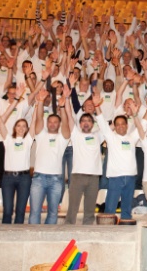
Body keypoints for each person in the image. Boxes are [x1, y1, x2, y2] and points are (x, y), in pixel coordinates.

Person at [0, 84, 31, 224]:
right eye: (18, 125)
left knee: (20, 212)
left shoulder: (28, 140)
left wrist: (38, 105)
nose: (21, 128)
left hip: (24, 178)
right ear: (14, 127)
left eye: (24, 126)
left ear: (26, 129)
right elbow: (1, 122)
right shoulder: (7, 139)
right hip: (8, 179)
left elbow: (37, 120)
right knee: (7, 212)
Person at [29, 88, 71, 224]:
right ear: (47, 124)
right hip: (38, 178)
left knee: (53, 212)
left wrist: (63, 107)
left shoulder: (63, 138)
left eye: (55, 122)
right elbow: (39, 118)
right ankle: (33, 240)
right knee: (34, 211)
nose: (52, 123)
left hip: (56, 180)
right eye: (50, 122)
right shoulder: (40, 135)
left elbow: (66, 124)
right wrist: (40, 101)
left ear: (58, 124)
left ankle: (48, 240)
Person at [63, 86, 104, 225]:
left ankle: (87, 235)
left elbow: (103, 123)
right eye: (83, 121)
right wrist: (67, 98)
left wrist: (97, 106)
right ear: (80, 124)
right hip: (77, 176)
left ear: (93, 124)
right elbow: (69, 115)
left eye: (89, 121)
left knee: (89, 212)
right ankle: (67, 235)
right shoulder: (76, 135)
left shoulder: (98, 135)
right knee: (72, 211)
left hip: (94, 178)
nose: (86, 123)